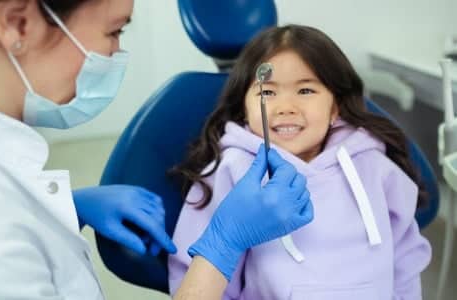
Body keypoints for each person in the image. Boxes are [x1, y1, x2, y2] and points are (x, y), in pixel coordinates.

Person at [0, 1, 313, 299]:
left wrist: (65, 207)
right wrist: (224, 243)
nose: (116, 53)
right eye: (114, 31)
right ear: (18, 24)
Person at [169, 24, 432, 299]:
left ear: (335, 107)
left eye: (305, 91)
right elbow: (198, 275)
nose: (286, 107)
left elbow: (406, 259)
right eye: (267, 93)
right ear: (244, 108)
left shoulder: (375, 166)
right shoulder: (231, 172)